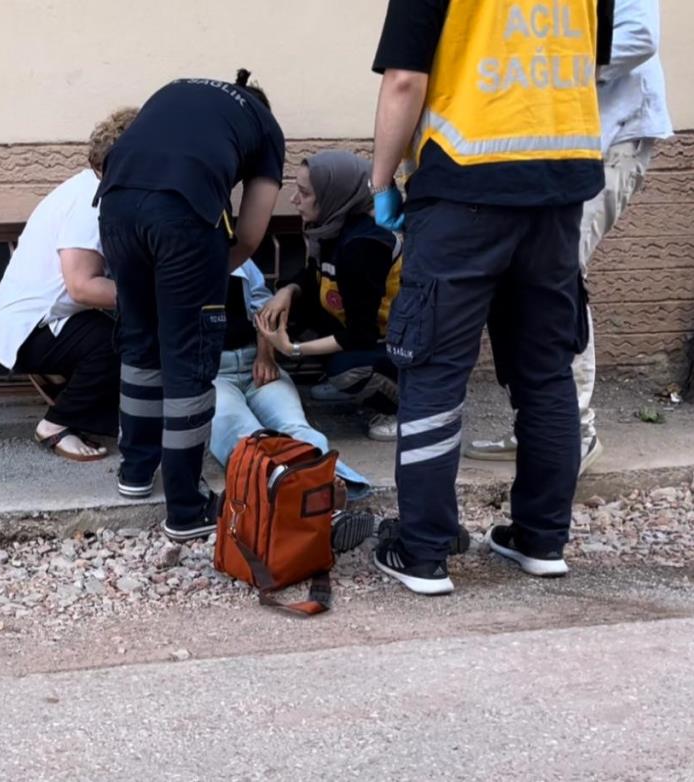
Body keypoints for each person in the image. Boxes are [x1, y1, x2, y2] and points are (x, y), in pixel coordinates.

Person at [369, 0, 614, 595]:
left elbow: (405, 79)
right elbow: (593, 62)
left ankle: (423, 551)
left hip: (464, 185)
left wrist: (380, 182)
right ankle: (540, 539)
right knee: (546, 368)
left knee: (433, 368)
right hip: (558, 188)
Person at [465, 0, 674, 474]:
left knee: (560, 277)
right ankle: (540, 430)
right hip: (565, 145)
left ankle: (573, 433)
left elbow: (640, 36)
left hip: (612, 138)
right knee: (537, 278)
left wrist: (551, 71)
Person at [96, 69, 285, 542]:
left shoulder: (175, 88)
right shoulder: (264, 126)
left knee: (140, 341)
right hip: (182, 214)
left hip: (115, 208)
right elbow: (250, 233)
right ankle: (185, 507)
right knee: (189, 355)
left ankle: (136, 473)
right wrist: (207, 274)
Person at [0, 107, 138, 462]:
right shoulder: (91, 203)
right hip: (29, 329)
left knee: (122, 331)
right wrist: (151, 296)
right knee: (114, 342)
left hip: (45, 319)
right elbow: (82, 287)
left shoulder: (91, 186)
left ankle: (108, 419)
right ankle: (56, 423)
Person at [255, 150, 402, 441]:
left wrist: (292, 349)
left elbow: (361, 334)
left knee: (345, 369)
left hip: (393, 346)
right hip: (362, 332)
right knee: (286, 309)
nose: (294, 200)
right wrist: (287, 291)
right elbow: (313, 277)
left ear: (335, 195)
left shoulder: (363, 245)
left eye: (305, 193)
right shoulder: (334, 225)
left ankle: (399, 409)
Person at [210, 259, 372, 498]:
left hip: (254, 361)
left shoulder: (238, 256)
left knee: (294, 424)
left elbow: (263, 305)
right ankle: (300, 486)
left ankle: (321, 478)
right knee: (240, 430)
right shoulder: (170, 262)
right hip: (212, 374)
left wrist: (265, 356)